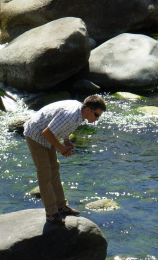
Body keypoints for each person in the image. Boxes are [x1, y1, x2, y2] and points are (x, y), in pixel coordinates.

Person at [24, 95, 107, 226]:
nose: (97, 119)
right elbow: (47, 132)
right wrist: (62, 149)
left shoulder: (79, 113)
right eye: (97, 115)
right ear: (88, 110)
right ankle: (51, 213)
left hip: (47, 134)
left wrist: (66, 140)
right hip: (36, 134)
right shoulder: (70, 115)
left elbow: (62, 126)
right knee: (45, 174)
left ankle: (61, 206)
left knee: (54, 169)